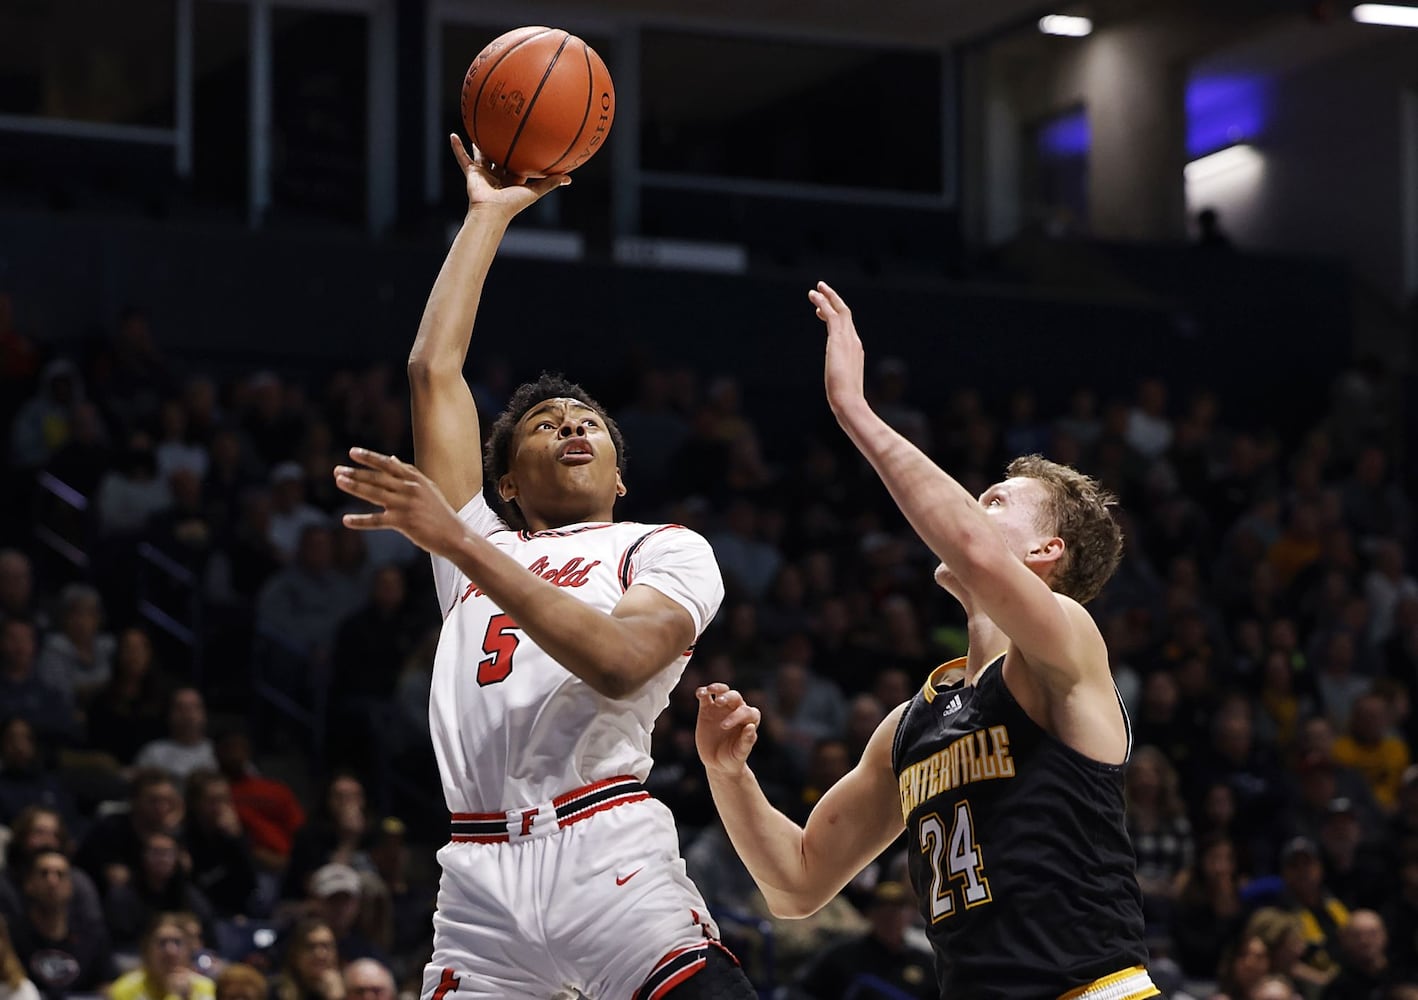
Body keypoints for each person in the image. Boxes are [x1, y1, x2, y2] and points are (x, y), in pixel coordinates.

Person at [329, 135, 752, 999]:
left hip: (604, 853)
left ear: (620, 472)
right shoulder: (480, 548)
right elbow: (432, 370)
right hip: (478, 880)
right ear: (508, 482)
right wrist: (487, 217)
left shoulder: (659, 547)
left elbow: (622, 660)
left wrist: (458, 543)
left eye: (587, 421)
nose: (569, 425)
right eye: (544, 423)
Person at [694, 281, 1156, 999]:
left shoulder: (1065, 644)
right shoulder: (910, 725)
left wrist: (853, 408)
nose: (968, 510)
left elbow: (975, 551)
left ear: (1046, 554)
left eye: (994, 503)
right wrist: (728, 774)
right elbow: (796, 881)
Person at [107, 912, 216, 1000]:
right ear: (147, 950)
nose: (170, 951)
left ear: (188, 950)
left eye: (177, 942)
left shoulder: (206, 988)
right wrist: (176, 996)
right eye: (162, 943)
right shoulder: (126, 989)